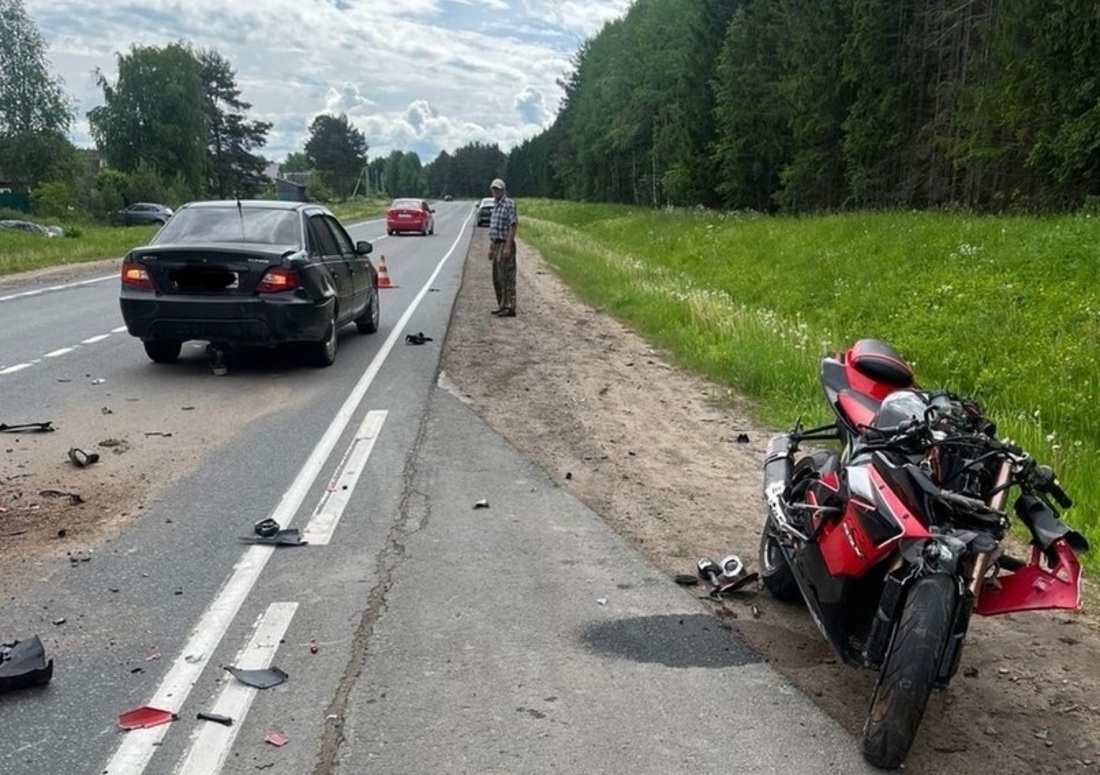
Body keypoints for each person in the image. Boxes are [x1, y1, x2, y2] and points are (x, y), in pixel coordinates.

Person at [487, 177, 518, 317]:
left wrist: (508, 246)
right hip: (496, 244)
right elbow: (494, 228)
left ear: (503, 190)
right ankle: (502, 304)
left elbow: (513, 225)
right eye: (493, 189)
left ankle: (510, 307)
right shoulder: (495, 204)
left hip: (505, 244)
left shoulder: (508, 204)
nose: (495, 191)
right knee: (497, 278)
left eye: (498, 189)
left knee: (507, 277)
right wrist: (491, 248)